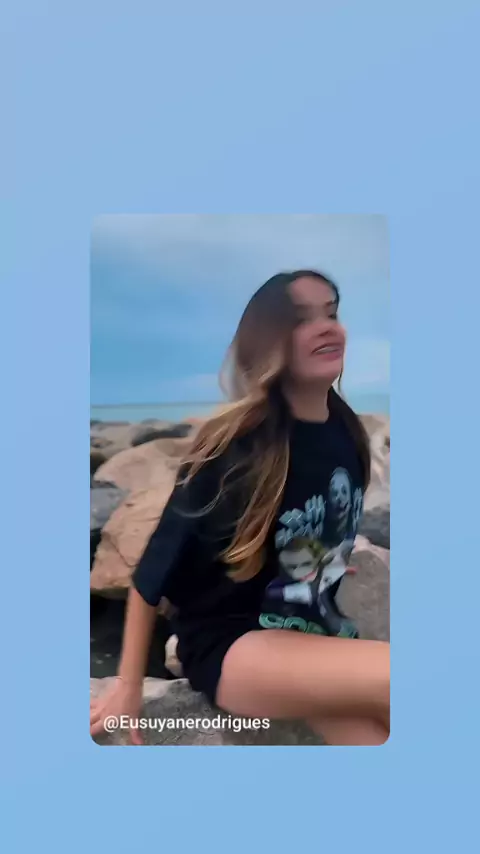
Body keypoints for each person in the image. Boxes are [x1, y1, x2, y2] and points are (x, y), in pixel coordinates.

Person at [90, 270, 390, 745]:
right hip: (235, 646)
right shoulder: (237, 448)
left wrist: (326, 560)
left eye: (331, 313)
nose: (327, 327)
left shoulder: (346, 429)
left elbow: (313, 526)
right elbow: (151, 573)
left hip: (313, 634)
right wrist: (127, 687)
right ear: (269, 342)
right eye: (301, 319)